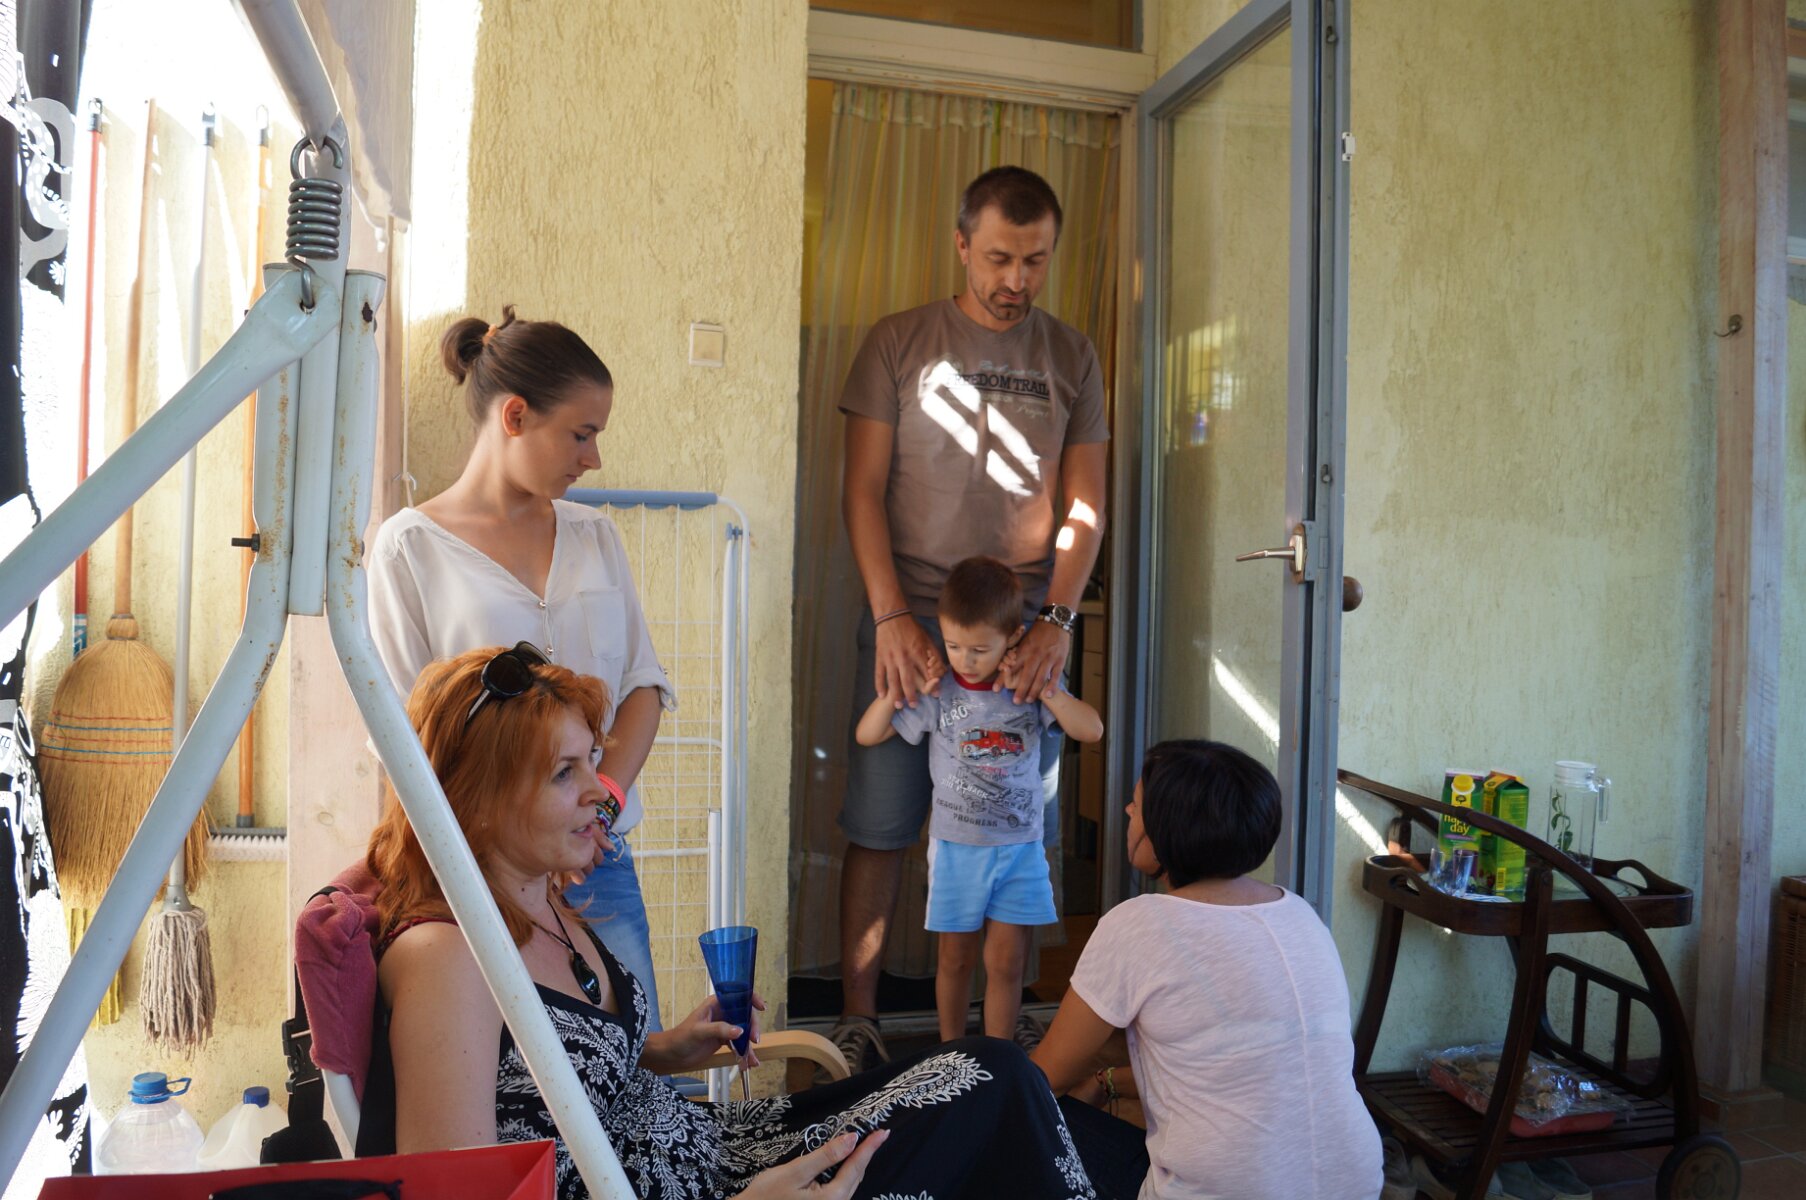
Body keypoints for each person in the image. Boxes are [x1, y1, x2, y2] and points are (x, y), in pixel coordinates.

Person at [365, 646, 1101, 1200]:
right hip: (725, 1186)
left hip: (723, 1148)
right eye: (565, 773)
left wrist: (667, 1048)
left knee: (991, 1074)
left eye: (592, 760)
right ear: (477, 799)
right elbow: (450, 1191)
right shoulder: (446, 958)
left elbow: (555, 1078)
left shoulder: (542, 898)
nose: (601, 790)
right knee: (994, 1109)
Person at [835, 165, 1109, 1068]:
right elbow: (861, 490)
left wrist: (1058, 619)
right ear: (961, 245)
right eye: (998, 258)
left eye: (1035, 260)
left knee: (1017, 825)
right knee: (881, 820)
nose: (1016, 280)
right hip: (912, 616)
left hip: (1027, 625)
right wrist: (890, 617)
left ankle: (1005, 1028)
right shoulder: (899, 342)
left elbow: (1087, 506)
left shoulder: (1073, 355)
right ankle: (861, 1019)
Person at [367, 307, 673, 1027]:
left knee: (635, 1064)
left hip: (599, 861)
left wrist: (600, 804)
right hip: (484, 875)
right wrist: (511, 846)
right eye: (581, 433)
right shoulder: (409, 549)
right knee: (519, 1077)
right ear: (514, 416)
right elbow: (407, 739)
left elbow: (643, 687)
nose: (593, 458)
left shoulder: (596, 537)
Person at [1030, 741, 1383, 1200]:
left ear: (1166, 831)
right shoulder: (1299, 912)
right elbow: (1235, 1066)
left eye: (1137, 805)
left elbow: (1044, 1079)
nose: (1127, 811)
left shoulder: (1139, 924)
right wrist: (1106, 1082)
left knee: (1024, 1116)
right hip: (1356, 1184)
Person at [855, 557, 1101, 1044]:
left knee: (1006, 963)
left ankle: (999, 1056)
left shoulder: (1030, 688)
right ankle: (952, 1056)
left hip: (1019, 850)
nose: (964, 660)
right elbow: (868, 734)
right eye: (954, 646)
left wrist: (1048, 691)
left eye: (979, 649)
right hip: (957, 850)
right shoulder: (940, 690)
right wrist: (902, 691)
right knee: (955, 959)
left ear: (1013, 637)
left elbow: (1090, 729)